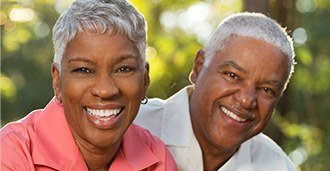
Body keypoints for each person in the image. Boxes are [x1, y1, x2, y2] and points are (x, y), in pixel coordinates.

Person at [1, 0, 177, 170]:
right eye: (83, 70)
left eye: (124, 69)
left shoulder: (158, 160)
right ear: (57, 81)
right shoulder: (12, 154)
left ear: (145, 80)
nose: (105, 90)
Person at [134, 12, 297, 171]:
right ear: (198, 67)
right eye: (232, 75)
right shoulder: (130, 129)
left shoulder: (278, 165)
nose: (246, 100)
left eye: (267, 90)